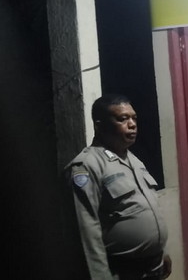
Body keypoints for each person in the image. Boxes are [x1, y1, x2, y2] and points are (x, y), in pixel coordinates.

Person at [66, 94, 172, 280]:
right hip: (124, 272)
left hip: (153, 267)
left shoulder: (133, 160)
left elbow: (149, 209)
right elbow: (85, 232)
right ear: (99, 125)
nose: (132, 124)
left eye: (134, 118)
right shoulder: (87, 166)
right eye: (122, 119)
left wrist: (161, 251)